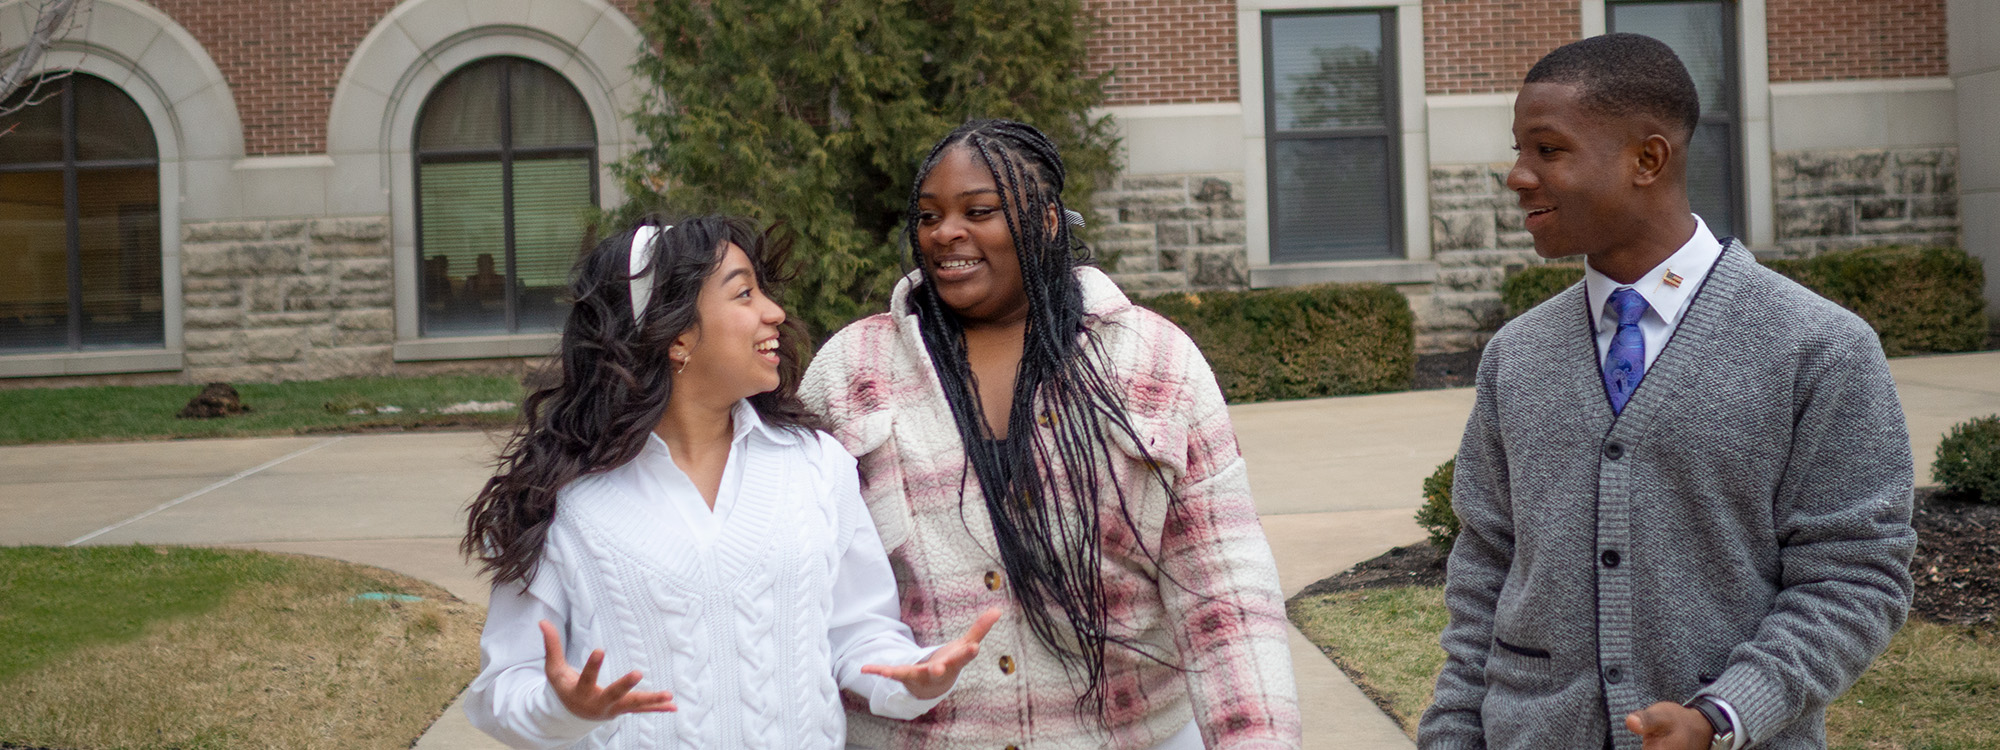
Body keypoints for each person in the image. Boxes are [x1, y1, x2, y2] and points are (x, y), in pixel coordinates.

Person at [1417, 34, 1916, 750]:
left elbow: (1856, 577)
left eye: (1547, 150)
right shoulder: (1515, 357)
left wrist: (1725, 715)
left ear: (1647, 159)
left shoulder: (1819, 348)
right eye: (1518, 150)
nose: (1517, 177)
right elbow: (1483, 574)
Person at [801, 120, 1300, 750]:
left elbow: (1224, 594)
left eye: (978, 211)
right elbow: (794, 583)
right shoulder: (852, 372)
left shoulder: (1152, 360)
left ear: (1046, 222)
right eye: (928, 217)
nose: (946, 233)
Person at [460, 215, 999, 749]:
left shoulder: (816, 466)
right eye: (744, 295)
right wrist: (562, 708)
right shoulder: (565, 501)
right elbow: (502, 689)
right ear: (674, 335)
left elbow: (857, 632)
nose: (774, 312)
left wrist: (910, 673)